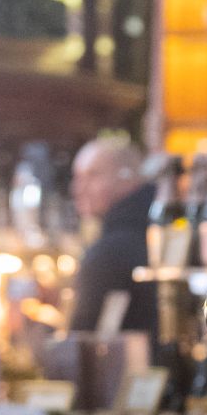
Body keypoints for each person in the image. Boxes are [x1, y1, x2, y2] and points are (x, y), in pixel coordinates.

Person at [68, 136, 158, 336]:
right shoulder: (156, 223)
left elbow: (82, 339)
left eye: (93, 175)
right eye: (78, 178)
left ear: (127, 178)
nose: (79, 188)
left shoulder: (108, 254)